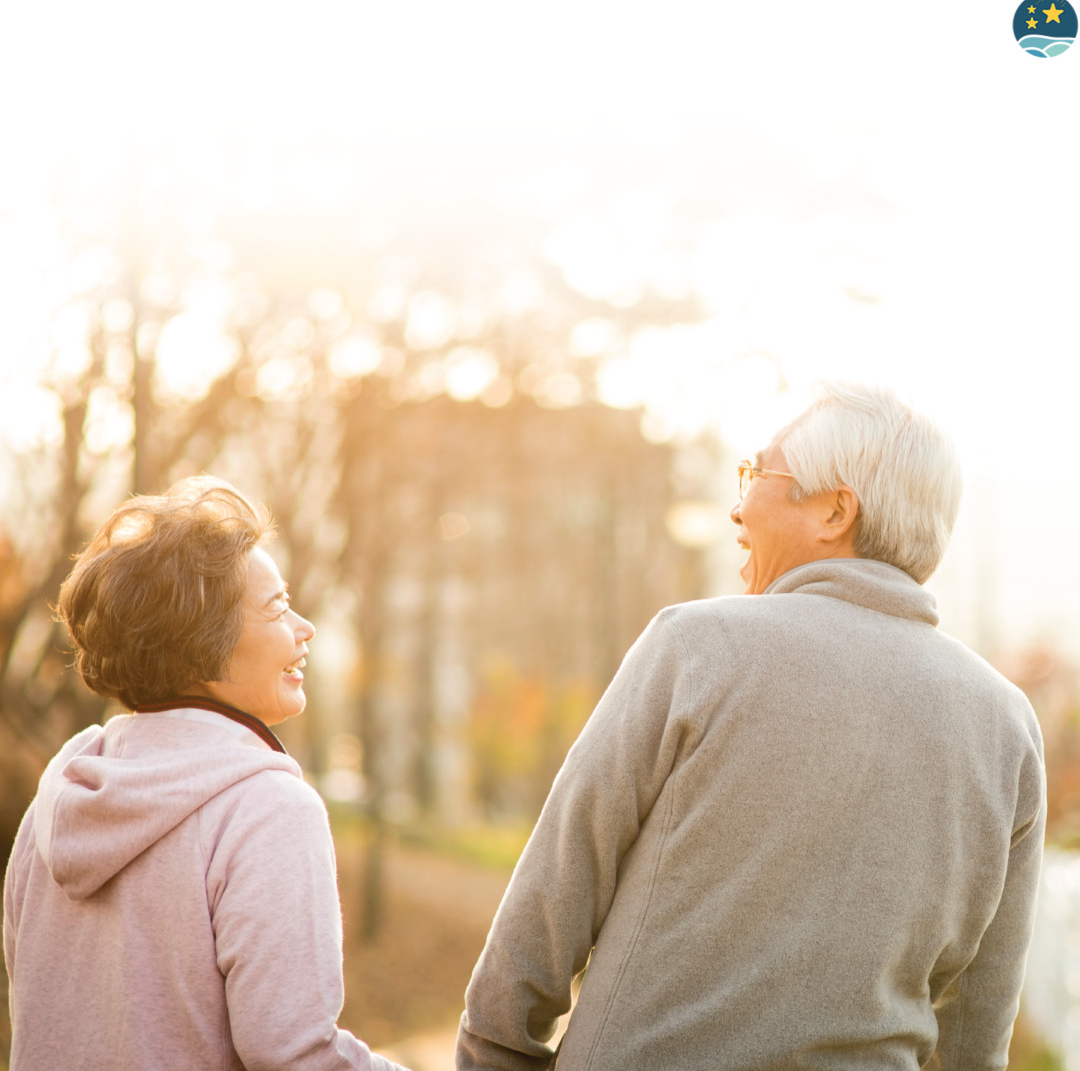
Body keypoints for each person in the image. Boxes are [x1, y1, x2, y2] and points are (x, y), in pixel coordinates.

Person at [456, 382, 1046, 1070]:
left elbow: (556, 893)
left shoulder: (697, 648)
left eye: (758, 474)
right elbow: (980, 1023)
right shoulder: (1008, 728)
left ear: (834, 511)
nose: (738, 509)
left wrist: (494, 1053)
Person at [3, 477, 408, 1071]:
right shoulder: (267, 808)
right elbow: (294, 1053)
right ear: (205, 642)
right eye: (276, 608)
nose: (305, 627)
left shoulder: (57, 801)